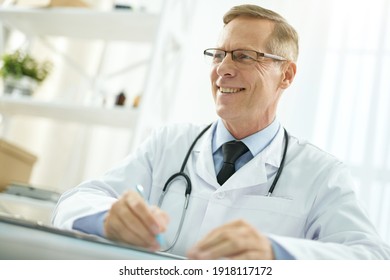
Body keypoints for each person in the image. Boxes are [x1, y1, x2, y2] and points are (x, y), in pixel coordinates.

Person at [52, 4, 390, 259]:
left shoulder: (322, 174)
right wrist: (106, 218)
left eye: (243, 56)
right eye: (218, 55)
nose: (223, 69)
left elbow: (371, 257)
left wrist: (275, 253)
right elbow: (73, 203)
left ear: (286, 75)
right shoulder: (168, 144)